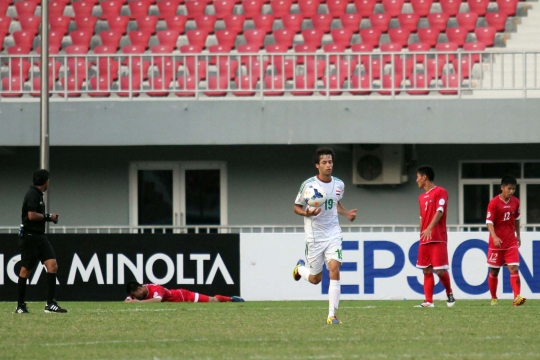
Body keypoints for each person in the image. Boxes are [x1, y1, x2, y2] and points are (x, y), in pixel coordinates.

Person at [292, 147, 357, 325]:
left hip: (333, 233)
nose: (328, 165)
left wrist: (346, 214)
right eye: (324, 162)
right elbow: (296, 206)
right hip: (314, 236)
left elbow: (335, 203)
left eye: (330, 162)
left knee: (335, 268)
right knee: (315, 279)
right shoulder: (308, 185)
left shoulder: (339, 184)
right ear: (317, 165)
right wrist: (307, 214)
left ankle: (331, 315)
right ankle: (300, 269)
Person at [16, 169, 67, 314]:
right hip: (30, 237)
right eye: (48, 179)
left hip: (40, 236)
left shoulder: (38, 194)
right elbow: (31, 216)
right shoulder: (32, 194)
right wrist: (48, 216)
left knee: (52, 265)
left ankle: (50, 304)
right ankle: (20, 305)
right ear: (45, 181)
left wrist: (48, 218)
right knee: (26, 270)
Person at [415, 166, 455, 308]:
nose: (416, 180)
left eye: (418, 177)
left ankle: (449, 293)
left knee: (439, 270)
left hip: (438, 237)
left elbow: (440, 211)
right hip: (425, 238)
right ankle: (428, 301)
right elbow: (421, 217)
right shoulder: (421, 197)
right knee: (426, 269)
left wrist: (430, 228)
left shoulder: (440, 192)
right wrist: (422, 232)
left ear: (424, 177)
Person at [486, 175, 526, 306]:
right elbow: (489, 222)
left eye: (514, 189)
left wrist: (518, 235)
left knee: (514, 268)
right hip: (497, 243)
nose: (511, 191)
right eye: (509, 188)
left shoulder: (516, 202)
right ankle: (494, 298)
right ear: (502, 188)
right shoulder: (494, 203)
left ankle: (517, 298)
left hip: (510, 241)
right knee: (494, 271)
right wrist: (494, 236)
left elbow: (517, 219)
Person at [124, 281, 245, 303]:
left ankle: (231, 299)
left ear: (139, 289)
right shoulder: (142, 288)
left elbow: (157, 300)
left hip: (184, 296)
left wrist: (137, 303)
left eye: (135, 295)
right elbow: (130, 297)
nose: (136, 298)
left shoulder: (156, 289)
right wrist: (129, 299)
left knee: (213, 300)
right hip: (177, 297)